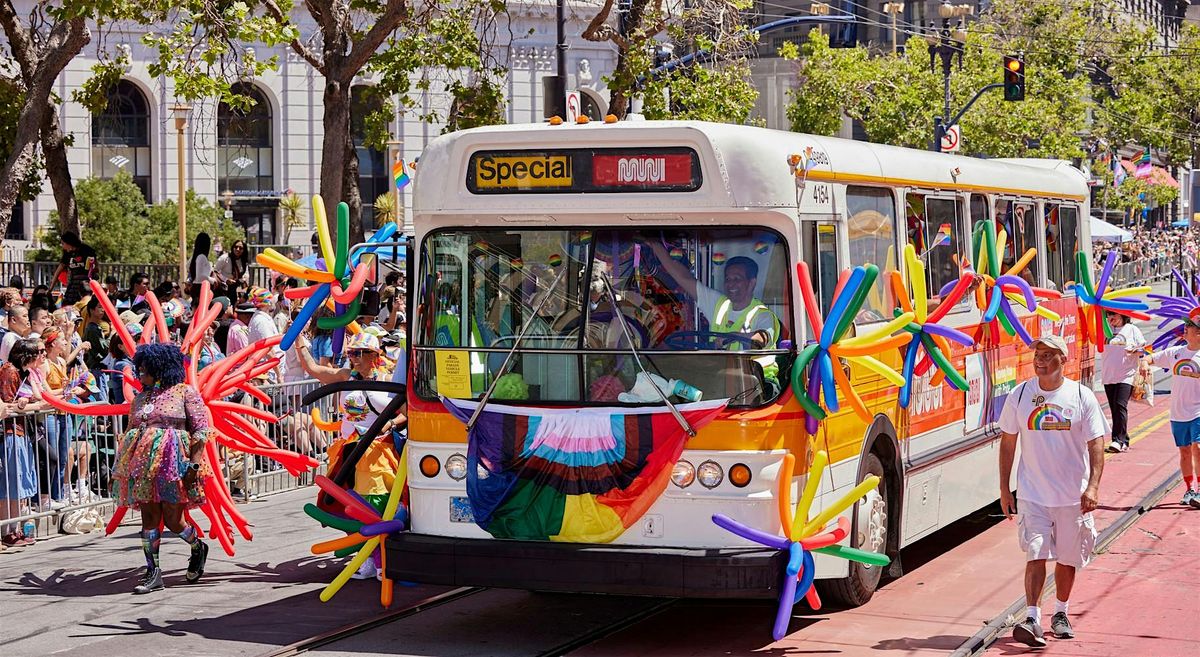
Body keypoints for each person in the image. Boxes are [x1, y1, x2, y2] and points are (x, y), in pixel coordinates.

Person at [999, 335, 1107, 647]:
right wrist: (1006, 489)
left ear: (1064, 359)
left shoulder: (1080, 396)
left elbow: (1096, 444)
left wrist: (1094, 485)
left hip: (1072, 495)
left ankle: (1060, 612)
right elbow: (1008, 441)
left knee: (1067, 558)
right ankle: (1032, 617)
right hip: (1033, 494)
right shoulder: (1020, 395)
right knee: (1036, 554)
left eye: (1048, 355)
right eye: (1037, 354)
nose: (1040, 360)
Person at [293, 332, 403, 580]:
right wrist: (300, 341)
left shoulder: (389, 379)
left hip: (376, 451)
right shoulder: (345, 377)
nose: (353, 358)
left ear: (374, 356)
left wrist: (389, 425)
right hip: (347, 450)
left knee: (372, 504)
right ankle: (364, 557)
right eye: (350, 353)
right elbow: (312, 369)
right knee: (346, 505)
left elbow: (407, 412)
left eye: (358, 353)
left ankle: (379, 559)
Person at [112, 343, 211, 594]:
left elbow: (200, 431)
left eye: (144, 370)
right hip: (144, 467)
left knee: (174, 520)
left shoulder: (185, 392)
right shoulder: (141, 398)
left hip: (174, 464)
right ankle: (153, 572)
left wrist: (194, 465)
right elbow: (132, 431)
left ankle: (197, 547)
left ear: (161, 368)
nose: (140, 375)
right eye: (139, 370)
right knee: (149, 519)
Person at [1147, 308, 1200, 508]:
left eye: (1190, 326)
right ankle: (1189, 489)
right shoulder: (1175, 352)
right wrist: (1144, 362)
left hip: (1198, 412)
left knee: (1198, 448)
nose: (1185, 329)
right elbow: (1151, 358)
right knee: (1185, 452)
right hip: (1178, 413)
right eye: (1186, 325)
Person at [0, 340, 44, 547]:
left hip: (19, 430)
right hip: (9, 431)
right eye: (38, 352)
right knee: (10, 482)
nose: (41, 356)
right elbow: (6, 406)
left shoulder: (23, 373)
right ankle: (7, 530)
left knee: (18, 482)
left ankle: (15, 528)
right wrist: (30, 405)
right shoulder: (9, 371)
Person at [1101, 313, 1146, 453]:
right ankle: (1124, 439)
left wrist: (1134, 350)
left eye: (1113, 314)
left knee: (1120, 405)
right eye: (1108, 314)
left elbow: (1143, 349)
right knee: (1114, 408)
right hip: (1109, 375)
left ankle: (1118, 440)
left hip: (1126, 375)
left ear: (1123, 315)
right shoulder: (1104, 329)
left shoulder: (1131, 329)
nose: (1110, 317)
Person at [51, 231, 98, 306]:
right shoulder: (67, 254)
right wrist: (51, 288)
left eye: (63, 243)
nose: (62, 246)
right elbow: (58, 271)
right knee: (68, 305)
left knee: (85, 304)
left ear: (68, 242)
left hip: (86, 284)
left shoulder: (86, 249)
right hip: (73, 285)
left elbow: (95, 267)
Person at [187, 232, 216, 299]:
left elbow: (188, 265)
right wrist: (212, 280)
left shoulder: (196, 256)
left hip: (196, 287)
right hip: (201, 287)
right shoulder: (201, 257)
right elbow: (200, 277)